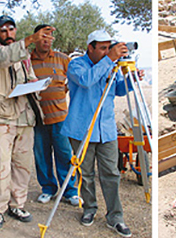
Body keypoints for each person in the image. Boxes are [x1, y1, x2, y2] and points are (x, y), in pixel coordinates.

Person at [0, 15, 53, 228]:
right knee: (1, 165)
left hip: (24, 116)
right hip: (1, 116)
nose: (8, 34)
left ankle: (17, 204)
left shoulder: (23, 55)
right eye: (3, 31)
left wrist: (37, 84)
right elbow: (2, 59)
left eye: (11, 30)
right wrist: (30, 40)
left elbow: (28, 76)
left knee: (22, 166)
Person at [60, 30, 133, 237]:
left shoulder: (111, 65)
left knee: (111, 173)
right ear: (90, 47)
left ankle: (115, 217)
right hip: (81, 129)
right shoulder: (76, 65)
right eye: (102, 48)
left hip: (107, 130)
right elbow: (86, 80)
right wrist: (110, 59)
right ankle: (89, 209)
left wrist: (129, 80)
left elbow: (117, 89)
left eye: (108, 48)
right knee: (86, 174)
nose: (106, 52)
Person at [29, 24, 80, 206]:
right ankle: (48, 189)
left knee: (64, 155)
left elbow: (75, 80)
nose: (46, 40)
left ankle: (70, 191)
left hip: (60, 119)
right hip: (37, 120)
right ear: (35, 38)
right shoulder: (27, 60)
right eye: (43, 36)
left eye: (50, 37)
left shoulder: (62, 59)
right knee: (41, 156)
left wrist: (62, 90)